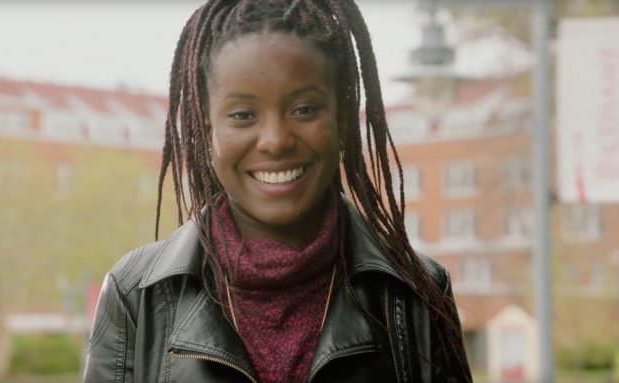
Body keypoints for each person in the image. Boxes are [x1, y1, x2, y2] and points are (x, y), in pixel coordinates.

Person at [83, 1, 472, 382]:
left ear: (341, 118)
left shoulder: (416, 293)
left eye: (303, 109)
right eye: (243, 115)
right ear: (207, 131)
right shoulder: (136, 295)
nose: (275, 141)